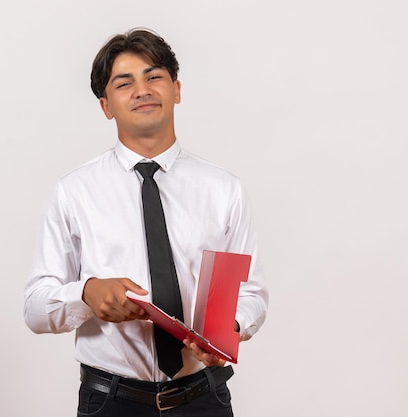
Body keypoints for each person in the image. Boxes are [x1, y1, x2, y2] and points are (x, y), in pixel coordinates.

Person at [24, 28, 268, 417]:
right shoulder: (74, 191)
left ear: (176, 90)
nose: (142, 90)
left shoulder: (223, 189)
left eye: (154, 77)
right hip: (110, 401)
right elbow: (35, 308)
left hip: (203, 398)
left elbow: (250, 294)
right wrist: (86, 293)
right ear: (106, 106)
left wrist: (229, 330)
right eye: (125, 83)